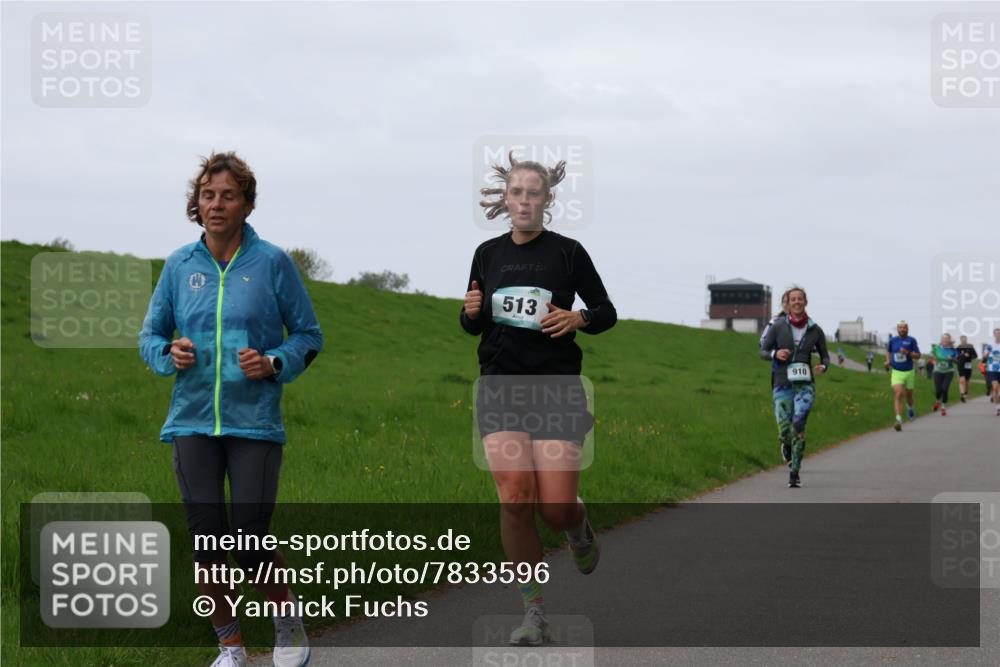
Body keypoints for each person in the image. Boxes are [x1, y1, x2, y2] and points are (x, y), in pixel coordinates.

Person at [140, 152, 323, 667]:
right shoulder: (179, 265)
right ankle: (231, 645)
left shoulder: (272, 263)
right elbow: (150, 334)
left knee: (247, 542)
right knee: (206, 548)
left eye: (228, 195)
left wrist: (274, 362)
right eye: (208, 195)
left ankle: (286, 621)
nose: (216, 204)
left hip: (255, 425)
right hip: (193, 420)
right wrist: (166, 353)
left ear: (246, 204)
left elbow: (309, 336)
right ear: (196, 205)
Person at [461, 152, 616, 646]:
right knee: (514, 498)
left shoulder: (568, 252)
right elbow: (474, 323)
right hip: (500, 386)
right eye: (516, 192)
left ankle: (577, 524)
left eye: (534, 193)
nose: (524, 201)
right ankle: (533, 611)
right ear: (504, 199)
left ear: (547, 200)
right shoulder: (487, 254)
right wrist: (467, 313)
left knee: (553, 507)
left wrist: (579, 319)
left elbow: (606, 309)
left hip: (555, 388)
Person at [759, 286, 829, 488]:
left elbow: (825, 354)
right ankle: (786, 445)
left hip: (805, 385)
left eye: (800, 299)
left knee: (798, 425)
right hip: (782, 382)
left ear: (805, 302)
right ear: (788, 303)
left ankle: (795, 471)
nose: (797, 302)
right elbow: (762, 350)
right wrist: (775, 354)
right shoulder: (778, 326)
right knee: (784, 429)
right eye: (793, 299)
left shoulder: (815, 330)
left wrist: (824, 365)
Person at [885, 321, 921, 431]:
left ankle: (910, 408)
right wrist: (887, 361)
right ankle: (898, 419)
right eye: (900, 328)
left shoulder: (911, 340)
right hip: (896, 371)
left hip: (909, 371)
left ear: (907, 329)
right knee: (899, 393)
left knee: (909, 395)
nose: (902, 329)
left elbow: (918, 355)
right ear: (897, 329)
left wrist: (908, 353)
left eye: (904, 328)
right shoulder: (893, 340)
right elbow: (888, 351)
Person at [930, 334, 958, 415]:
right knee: (938, 390)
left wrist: (951, 359)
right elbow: (931, 355)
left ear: (949, 341)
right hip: (938, 371)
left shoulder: (953, 350)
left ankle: (943, 407)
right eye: (943, 339)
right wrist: (933, 358)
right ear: (941, 340)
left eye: (946, 339)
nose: (945, 340)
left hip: (949, 371)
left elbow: (957, 361)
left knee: (945, 389)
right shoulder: (936, 348)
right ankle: (938, 401)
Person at [956, 335, 978, 403]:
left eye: (965, 339)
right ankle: (962, 395)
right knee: (962, 379)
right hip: (960, 364)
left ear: (966, 340)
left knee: (967, 381)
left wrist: (969, 356)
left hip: (968, 365)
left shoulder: (970, 347)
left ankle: (966, 392)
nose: (964, 341)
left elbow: (975, 355)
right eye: (962, 339)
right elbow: (955, 356)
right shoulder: (958, 348)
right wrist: (961, 355)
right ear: (960, 340)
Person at [986, 329, 1000, 415]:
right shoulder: (990, 345)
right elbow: (985, 355)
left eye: (999, 333)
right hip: (992, 368)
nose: (998, 335)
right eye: (997, 333)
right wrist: (987, 354)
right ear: (994, 335)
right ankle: (998, 408)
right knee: (995, 387)